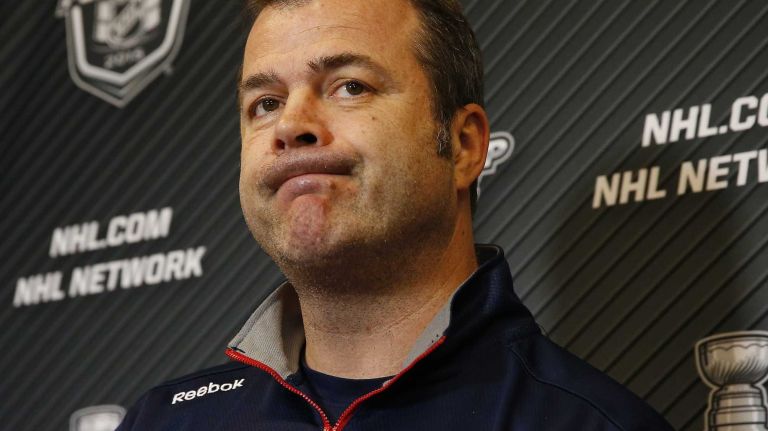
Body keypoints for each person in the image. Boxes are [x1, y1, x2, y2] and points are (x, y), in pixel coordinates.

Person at [117, 0, 675, 429]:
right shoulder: (164, 420)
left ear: (462, 145)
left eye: (350, 86)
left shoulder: (586, 423)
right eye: (265, 103)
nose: (291, 125)